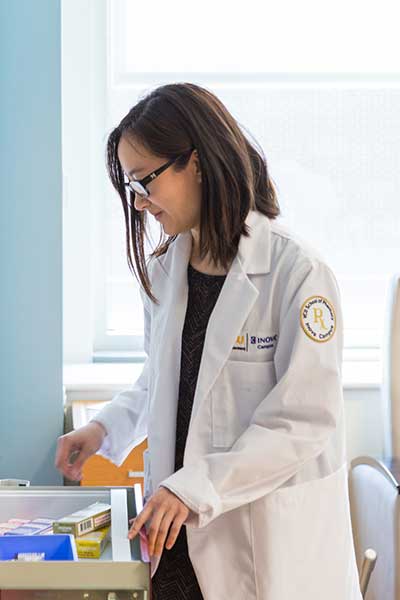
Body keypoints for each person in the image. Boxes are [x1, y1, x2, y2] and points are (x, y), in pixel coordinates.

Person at [55, 82, 363, 599]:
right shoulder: (165, 270)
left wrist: (193, 487)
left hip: (259, 544)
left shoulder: (297, 273)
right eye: (133, 188)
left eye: (145, 181)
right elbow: (162, 382)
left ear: (194, 162)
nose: (140, 203)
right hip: (174, 535)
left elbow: (302, 421)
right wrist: (104, 429)